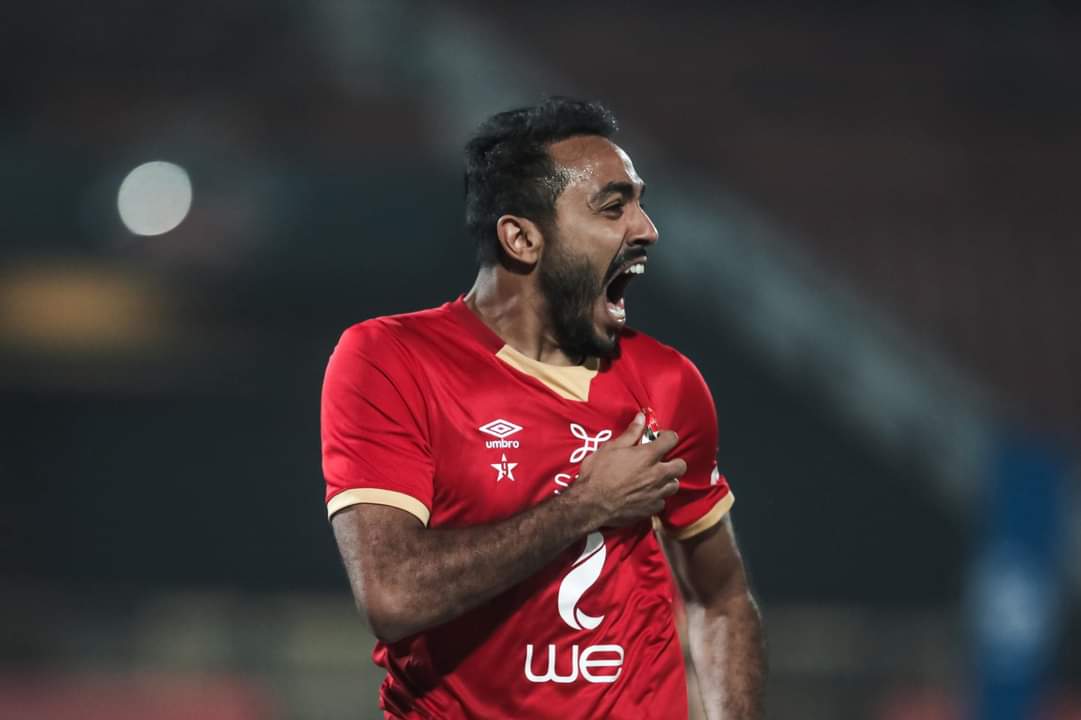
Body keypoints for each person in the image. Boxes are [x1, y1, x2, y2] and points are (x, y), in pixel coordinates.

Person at [322, 97, 765, 719]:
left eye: (639, 203)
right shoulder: (392, 360)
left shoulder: (667, 382)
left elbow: (720, 599)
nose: (646, 229)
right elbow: (392, 596)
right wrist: (587, 505)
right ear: (523, 238)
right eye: (613, 207)